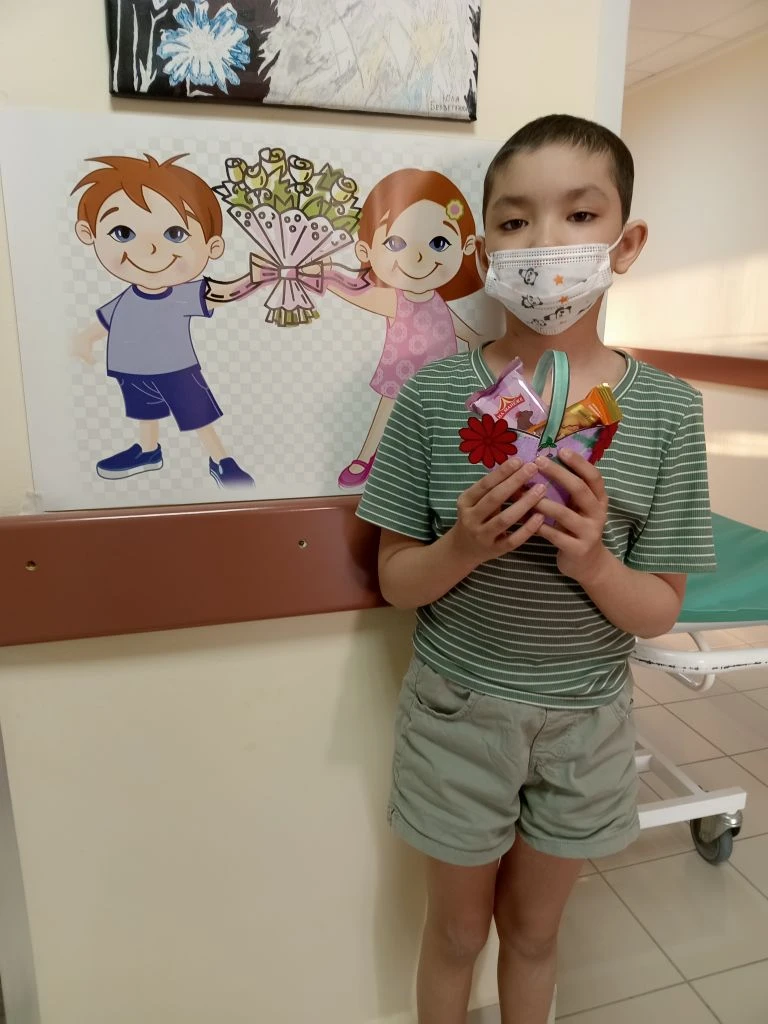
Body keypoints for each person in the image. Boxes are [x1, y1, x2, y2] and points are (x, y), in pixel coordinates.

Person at [356, 114, 716, 1024]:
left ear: (625, 243)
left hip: (587, 720)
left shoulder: (668, 412)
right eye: (515, 221)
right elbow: (396, 580)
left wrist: (591, 559)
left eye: (579, 215)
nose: (546, 242)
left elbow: (657, 612)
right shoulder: (434, 396)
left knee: (535, 932)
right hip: (457, 714)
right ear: (485, 251)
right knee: (454, 935)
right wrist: (463, 547)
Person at [72, 154, 258, 488]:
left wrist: (256, 278)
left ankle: (221, 460)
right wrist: (85, 339)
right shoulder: (126, 298)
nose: (149, 249)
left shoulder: (182, 294)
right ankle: (148, 451)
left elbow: (223, 292)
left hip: (177, 369)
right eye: (123, 232)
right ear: (89, 233)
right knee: (145, 413)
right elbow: (107, 322)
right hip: (131, 369)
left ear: (212, 246)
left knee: (198, 416)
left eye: (175, 233)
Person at [323, 168, 486, 488]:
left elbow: (451, 323)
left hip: (442, 372)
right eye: (395, 242)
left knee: (445, 418)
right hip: (402, 371)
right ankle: (366, 456)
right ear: (366, 251)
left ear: (466, 246)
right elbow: (359, 295)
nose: (418, 256)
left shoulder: (437, 299)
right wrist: (329, 278)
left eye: (439, 242)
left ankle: (438, 462)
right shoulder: (394, 299)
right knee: (388, 411)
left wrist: (476, 338)